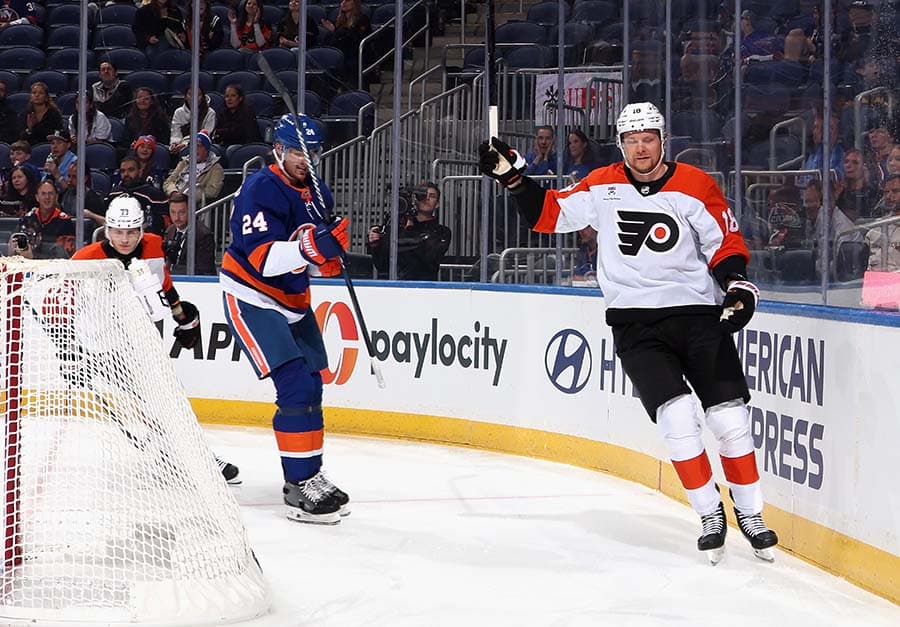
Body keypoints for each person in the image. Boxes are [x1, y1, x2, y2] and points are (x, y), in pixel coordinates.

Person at [479, 102, 778, 563]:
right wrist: (514, 178)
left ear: (662, 141)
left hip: (698, 316)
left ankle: (752, 514)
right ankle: (709, 514)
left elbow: (724, 242)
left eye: (649, 139)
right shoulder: (601, 184)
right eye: (632, 140)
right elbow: (551, 214)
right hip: (636, 323)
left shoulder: (696, 184)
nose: (641, 148)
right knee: (678, 420)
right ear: (620, 144)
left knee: (730, 420)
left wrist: (736, 283)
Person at [220, 114, 351, 524]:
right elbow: (263, 259)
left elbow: (309, 258)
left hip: (293, 300)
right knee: (294, 383)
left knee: (313, 383)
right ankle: (299, 485)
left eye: (310, 152)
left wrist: (326, 261)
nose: (304, 159)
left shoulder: (317, 192)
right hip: (252, 295)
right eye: (296, 151)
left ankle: (310, 473)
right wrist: (316, 248)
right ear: (278, 150)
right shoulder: (260, 188)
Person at [71, 195, 240, 485]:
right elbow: (61, 300)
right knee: (161, 401)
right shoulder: (85, 259)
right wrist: (71, 347)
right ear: (107, 230)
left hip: (138, 340)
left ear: (141, 229)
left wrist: (181, 315)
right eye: (118, 232)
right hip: (101, 346)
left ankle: (179, 454)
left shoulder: (151, 245)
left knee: (164, 400)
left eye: (131, 232)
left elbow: (163, 284)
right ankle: (188, 456)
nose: (124, 239)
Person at [366, 182, 452, 281]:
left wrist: (409, 230)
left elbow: (428, 258)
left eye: (432, 196)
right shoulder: (396, 228)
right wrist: (375, 245)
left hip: (425, 287)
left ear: (437, 204)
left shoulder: (441, 232)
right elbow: (382, 265)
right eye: (422, 195)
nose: (427, 198)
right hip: (394, 285)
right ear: (415, 199)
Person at [8, 179, 75, 259]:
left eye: (50, 193)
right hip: (27, 266)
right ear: (37, 197)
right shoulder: (27, 219)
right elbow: (13, 243)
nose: (47, 197)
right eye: (43, 194)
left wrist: (34, 257)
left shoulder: (65, 222)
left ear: (56, 197)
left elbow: (66, 255)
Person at [107, 155, 170, 236]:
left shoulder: (153, 194)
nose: (126, 174)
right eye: (123, 171)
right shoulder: (114, 193)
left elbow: (165, 222)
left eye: (131, 170)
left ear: (140, 171)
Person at [162, 192, 217, 275]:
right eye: (173, 212)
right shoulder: (170, 230)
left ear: (190, 211)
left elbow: (204, 270)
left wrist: (172, 268)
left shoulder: (203, 235)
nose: (176, 217)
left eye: (181, 212)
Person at [163, 131, 224, 202]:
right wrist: (173, 192)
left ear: (206, 149)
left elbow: (212, 191)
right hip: (174, 199)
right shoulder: (184, 163)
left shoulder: (215, 168)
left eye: (198, 146)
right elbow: (169, 182)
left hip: (195, 204)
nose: (195, 149)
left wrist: (187, 195)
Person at [321, 0, 372, 86]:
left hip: (355, 55)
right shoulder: (339, 21)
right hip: (341, 54)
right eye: (342, 1)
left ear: (355, 3)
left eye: (347, 0)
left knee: (350, 65)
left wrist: (335, 31)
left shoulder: (362, 19)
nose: (343, 3)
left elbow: (355, 40)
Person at [866, 174, 900, 271]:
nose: (889, 196)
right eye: (886, 192)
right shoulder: (876, 228)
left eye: (895, 191)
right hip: (874, 281)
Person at [169, 86, 216, 156]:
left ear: (203, 97)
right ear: (185, 96)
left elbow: (205, 135)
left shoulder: (210, 113)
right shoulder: (179, 112)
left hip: (201, 145)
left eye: (198, 95)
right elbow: (175, 132)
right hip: (180, 144)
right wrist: (175, 143)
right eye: (190, 94)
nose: (194, 97)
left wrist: (186, 144)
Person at [60, 162, 107, 230]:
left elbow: (106, 223)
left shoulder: (93, 199)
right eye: (69, 176)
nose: (69, 180)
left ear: (85, 178)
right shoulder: (64, 194)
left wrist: (91, 215)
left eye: (74, 177)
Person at [212, 84, 262, 148]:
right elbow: (217, 133)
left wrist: (224, 132)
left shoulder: (247, 112)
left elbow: (242, 133)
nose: (229, 99)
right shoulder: (222, 112)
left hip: (245, 146)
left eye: (233, 96)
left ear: (240, 98)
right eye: (227, 96)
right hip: (226, 145)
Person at [43, 128, 78, 194]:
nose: (55, 146)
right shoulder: (50, 158)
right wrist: (48, 175)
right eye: (53, 143)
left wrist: (57, 175)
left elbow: (73, 192)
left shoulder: (75, 162)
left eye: (59, 143)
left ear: (68, 145)